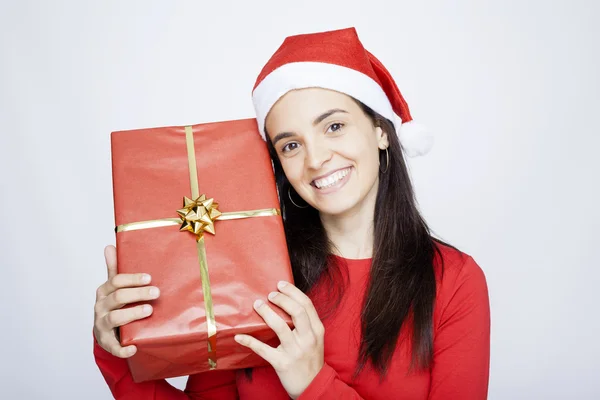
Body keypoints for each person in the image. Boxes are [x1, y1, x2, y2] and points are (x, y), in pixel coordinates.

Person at [93, 27, 491, 399]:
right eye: (290, 145)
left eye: (334, 126)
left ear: (380, 130)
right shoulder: (249, 270)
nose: (316, 159)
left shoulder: (455, 282)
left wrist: (313, 384)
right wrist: (119, 347)